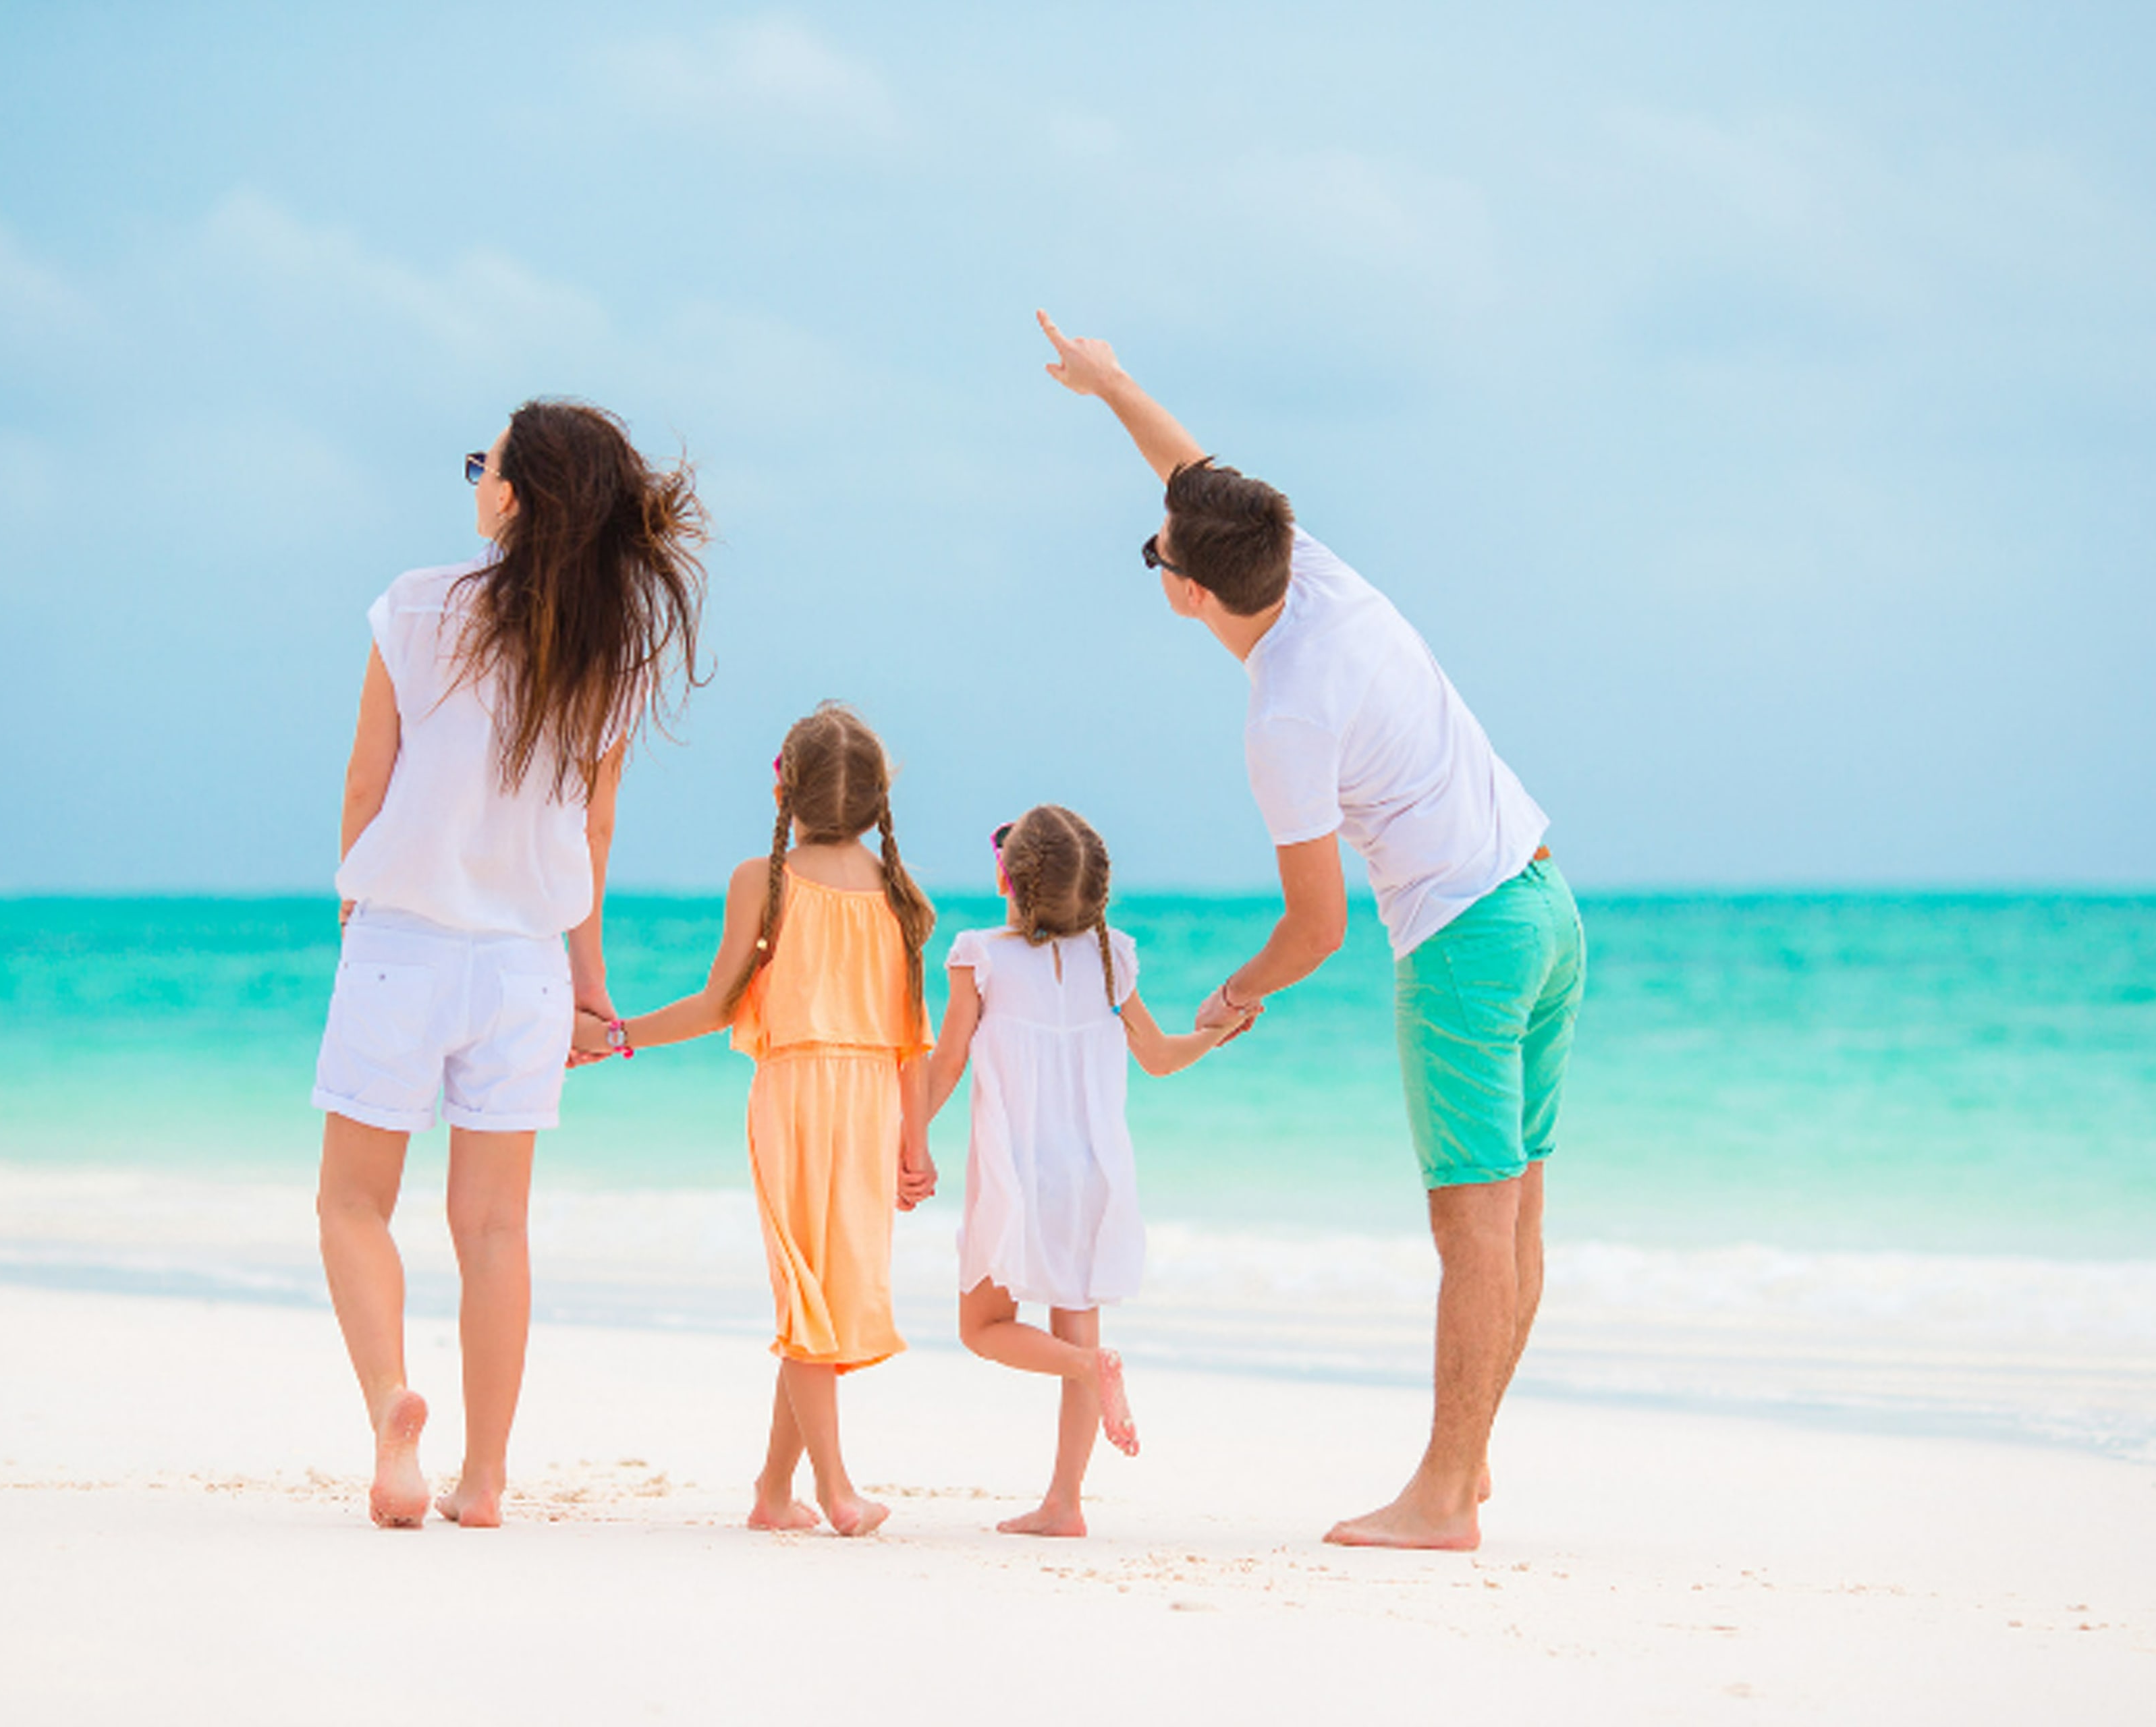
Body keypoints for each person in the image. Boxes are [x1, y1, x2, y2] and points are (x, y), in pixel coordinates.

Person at [1036, 311, 1587, 1552]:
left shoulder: (1284, 713)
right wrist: (1114, 384)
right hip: (1549, 906)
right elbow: (1192, 477)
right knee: (1518, 1220)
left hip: (1464, 942)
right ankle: (1472, 1458)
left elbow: (1317, 926)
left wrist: (1232, 1000)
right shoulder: (1316, 574)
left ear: (1187, 591)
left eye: (1156, 552)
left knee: (1472, 1230)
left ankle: (1444, 1497)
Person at [312, 400, 706, 1529]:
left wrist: (358, 901)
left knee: (352, 1204)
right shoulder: (613, 653)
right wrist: (589, 982)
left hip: (404, 941)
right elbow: (594, 831)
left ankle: (394, 1409)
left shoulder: (417, 606)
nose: (476, 477)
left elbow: (364, 784)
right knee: (493, 1230)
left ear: (517, 498)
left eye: (486, 464)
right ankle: (484, 1481)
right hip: (529, 966)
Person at [597, 703, 936, 1537]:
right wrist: (917, 1141)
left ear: (782, 783)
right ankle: (823, 1488)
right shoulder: (898, 889)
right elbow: (914, 1040)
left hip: (796, 1095)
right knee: (813, 1292)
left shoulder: (764, 877)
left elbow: (717, 1006)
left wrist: (618, 1036)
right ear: (878, 795)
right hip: (871, 1103)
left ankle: (783, 1493)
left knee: (817, 1294)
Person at [924, 803, 1234, 1538]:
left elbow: (946, 1064)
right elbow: (1158, 1058)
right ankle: (1065, 1502)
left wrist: (909, 1141)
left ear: (1008, 878)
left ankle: (1091, 1372)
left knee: (984, 1326)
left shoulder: (979, 955)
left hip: (1015, 1171)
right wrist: (1216, 1034)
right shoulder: (1112, 958)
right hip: (1093, 1174)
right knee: (1077, 1328)